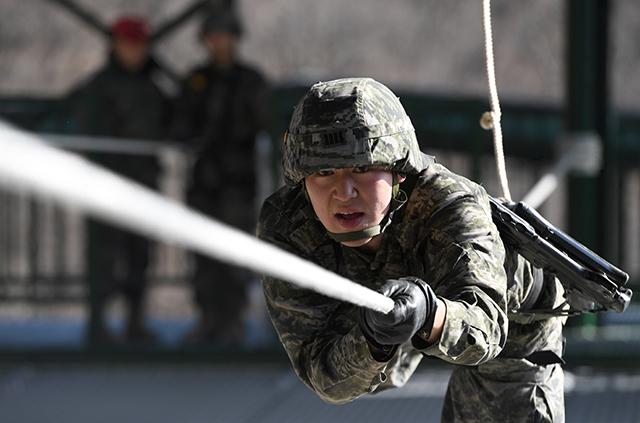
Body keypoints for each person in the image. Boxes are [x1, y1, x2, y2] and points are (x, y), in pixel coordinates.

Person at [257, 78, 566, 422]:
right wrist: (373, 339)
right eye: (325, 172)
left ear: (399, 171)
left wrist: (429, 315)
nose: (344, 191)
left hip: (511, 317)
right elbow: (325, 376)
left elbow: (486, 330)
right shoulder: (288, 225)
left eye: (362, 168)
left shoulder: (451, 207)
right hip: (386, 314)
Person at [172, 8, 271, 344]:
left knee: (234, 253)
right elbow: (179, 123)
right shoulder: (196, 80)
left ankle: (233, 321)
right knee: (202, 254)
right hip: (205, 181)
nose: (218, 43)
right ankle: (208, 319)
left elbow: (264, 123)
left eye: (224, 36)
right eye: (212, 36)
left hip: (237, 183)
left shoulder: (251, 81)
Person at [73, 16, 171, 343]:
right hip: (106, 185)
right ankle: (98, 324)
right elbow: (85, 127)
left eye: (138, 45)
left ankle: (135, 323)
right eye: (128, 44)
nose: (133, 52)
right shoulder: (99, 87)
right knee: (104, 255)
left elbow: (170, 123)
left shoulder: (153, 87)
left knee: (138, 256)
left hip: (143, 183)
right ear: (115, 46)